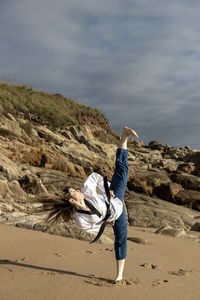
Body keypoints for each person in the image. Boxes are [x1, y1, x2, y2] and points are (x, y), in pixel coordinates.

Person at [33, 126, 138, 282]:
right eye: (73, 191)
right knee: (121, 239)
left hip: (114, 197)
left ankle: (124, 136)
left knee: (122, 170)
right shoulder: (80, 220)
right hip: (117, 213)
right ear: (72, 200)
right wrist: (107, 222)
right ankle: (119, 275)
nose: (76, 189)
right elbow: (94, 228)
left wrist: (107, 189)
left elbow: (95, 177)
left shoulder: (86, 190)